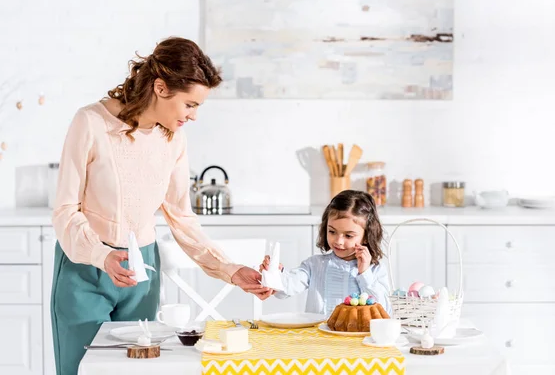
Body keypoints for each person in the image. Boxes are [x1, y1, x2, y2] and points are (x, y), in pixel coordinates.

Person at [51, 36, 272, 375]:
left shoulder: (173, 138)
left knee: (138, 370)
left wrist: (229, 269)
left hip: (142, 274)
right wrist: (101, 255)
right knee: (79, 370)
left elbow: (181, 217)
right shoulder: (90, 123)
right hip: (85, 270)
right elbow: (65, 210)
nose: (194, 116)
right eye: (190, 104)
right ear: (160, 87)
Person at [261, 190, 391, 316]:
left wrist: (365, 273)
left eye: (348, 235)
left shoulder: (376, 270)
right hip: (319, 337)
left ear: (366, 236)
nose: (338, 241)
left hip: (357, 337)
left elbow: (384, 311)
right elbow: (285, 290)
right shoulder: (314, 265)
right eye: (332, 232)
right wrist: (274, 273)